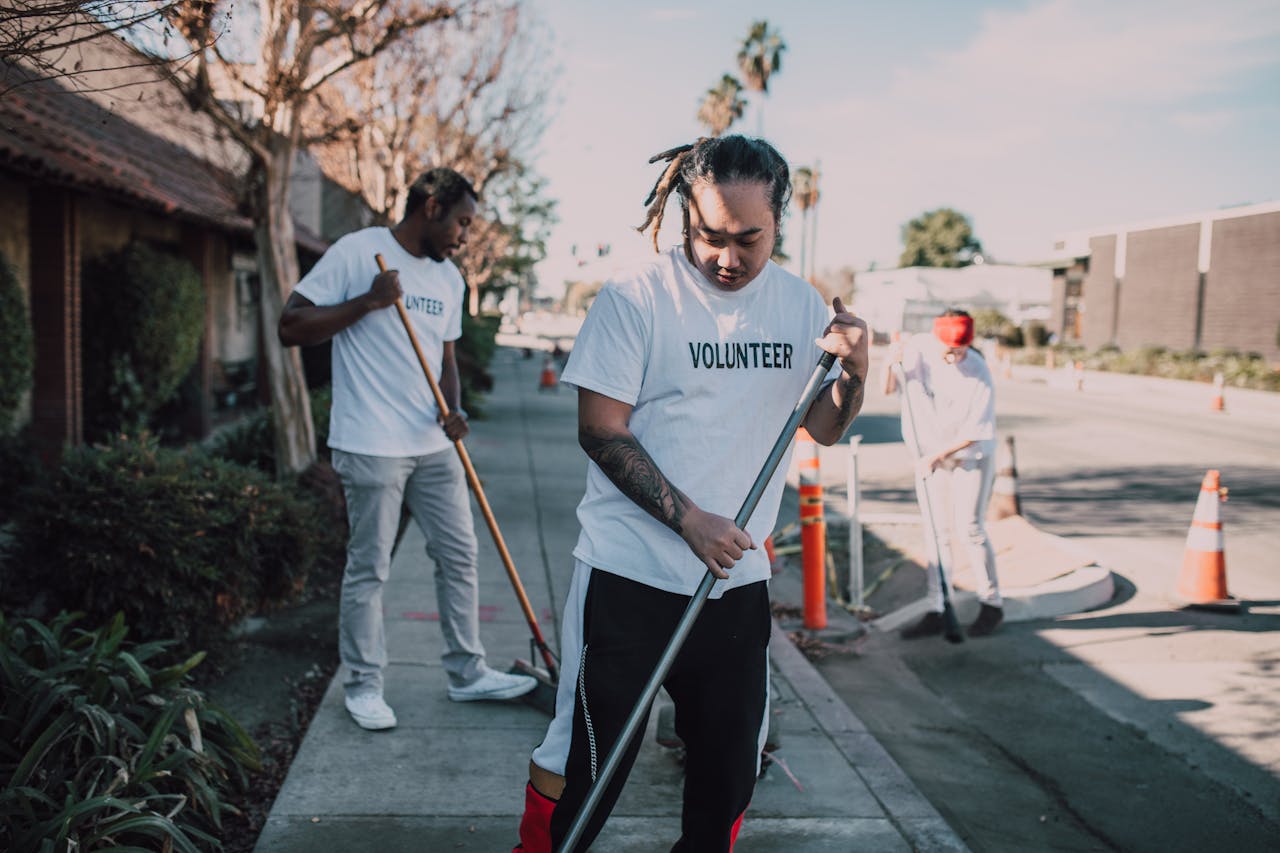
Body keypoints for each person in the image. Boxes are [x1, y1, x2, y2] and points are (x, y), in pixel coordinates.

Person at [512, 135, 870, 853]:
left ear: (778, 224)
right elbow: (600, 430)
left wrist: (856, 372)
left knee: (730, 762)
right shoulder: (636, 298)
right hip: (629, 572)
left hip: (735, 583)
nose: (727, 257)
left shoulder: (801, 307)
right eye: (709, 236)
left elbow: (824, 425)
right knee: (587, 757)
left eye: (749, 239)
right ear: (683, 218)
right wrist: (690, 521)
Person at [278, 167, 536, 731]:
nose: (464, 236)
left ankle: (467, 673)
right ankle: (364, 685)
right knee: (370, 567)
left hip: (431, 446)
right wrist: (367, 303)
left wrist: (455, 409)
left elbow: (445, 362)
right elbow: (291, 326)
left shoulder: (449, 281)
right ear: (432, 206)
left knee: (460, 555)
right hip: (371, 444)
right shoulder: (359, 251)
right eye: (462, 222)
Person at [884, 309, 1004, 639]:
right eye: (948, 349)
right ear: (936, 339)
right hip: (930, 456)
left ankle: (991, 603)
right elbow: (889, 389)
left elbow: (975, 431)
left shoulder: (978, 370)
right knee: (937, 533)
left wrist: (935, 456)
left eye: (960, 350)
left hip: (970, 456)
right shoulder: (918, 349)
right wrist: (889, 362)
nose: (953, 356)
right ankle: (938, 606)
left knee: (970, 528)